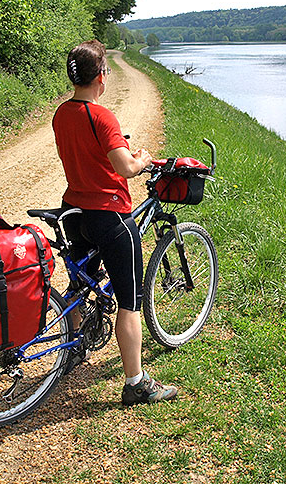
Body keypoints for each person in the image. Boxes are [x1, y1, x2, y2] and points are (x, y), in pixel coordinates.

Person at [51, 39, 179, 406]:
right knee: (129, 300)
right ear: (101, 76)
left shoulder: (62, 113)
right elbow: (124, 168)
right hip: (109, 214)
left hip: (73, 211)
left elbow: (85, 154)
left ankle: (74, 350)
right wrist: (140, 158)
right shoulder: (101, 116)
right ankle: (136, 382)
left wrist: (112, 150)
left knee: (78, 284)